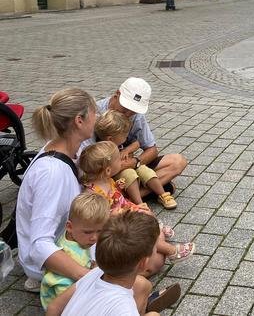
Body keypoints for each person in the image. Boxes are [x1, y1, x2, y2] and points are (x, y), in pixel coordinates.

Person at [16, 89, 97, 293]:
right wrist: (89, 278)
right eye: (95, 113)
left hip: (71, 241)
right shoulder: (52, 172)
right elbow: (40, 244)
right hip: (51, 260)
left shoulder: (64, 150)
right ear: (80, 120)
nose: (98, 118)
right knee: (148, 259)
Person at [79, 142, 194, 266]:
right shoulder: (94, 192)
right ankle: (171, 251)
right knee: (143, 227)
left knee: (147, 212)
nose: (122, 162)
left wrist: (117, 186)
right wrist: (115, 214)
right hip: (116, 221)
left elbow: (113, 194)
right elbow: (99, 215)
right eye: (119, 160)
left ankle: (157, 229)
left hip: (125, 208)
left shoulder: (106, 179)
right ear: (108, 170)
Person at [46, 212, 182, 316]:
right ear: (144, 262)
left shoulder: (94, 273)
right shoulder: (124, 309)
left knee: (143, 285)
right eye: (155, 249)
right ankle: (147, 308)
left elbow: (53, 308)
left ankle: (146, 303)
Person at [88, 78, 187, 200]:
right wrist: (115, 167)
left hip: (130, 166)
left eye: (133, 111)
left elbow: (152, 149)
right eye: (125, 109)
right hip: (106, 173)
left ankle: (126, 198)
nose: (128, 114)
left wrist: (135, 161)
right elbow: (86, 163)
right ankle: (149, 190)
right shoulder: (95, 114)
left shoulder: (137, 116)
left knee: (178, 162)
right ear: (116, 94)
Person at [94, 110, 176, 210]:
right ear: (111, 139)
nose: (126, 137)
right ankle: (140, 204)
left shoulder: (119, 143)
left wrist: (127, 150)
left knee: (144, 170)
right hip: (117, 174)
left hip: (130, 165)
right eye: (124, 136)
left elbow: (137, 143)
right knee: (129, 174)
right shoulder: (103, 149)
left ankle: (163, 195)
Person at [40, 193, 109, 310]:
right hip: (63, 300)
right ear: (69, 227)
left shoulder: (75, 237)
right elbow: (64, 290)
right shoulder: (72, 254)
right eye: (88, 232)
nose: (94, 238)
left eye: (100, 231)